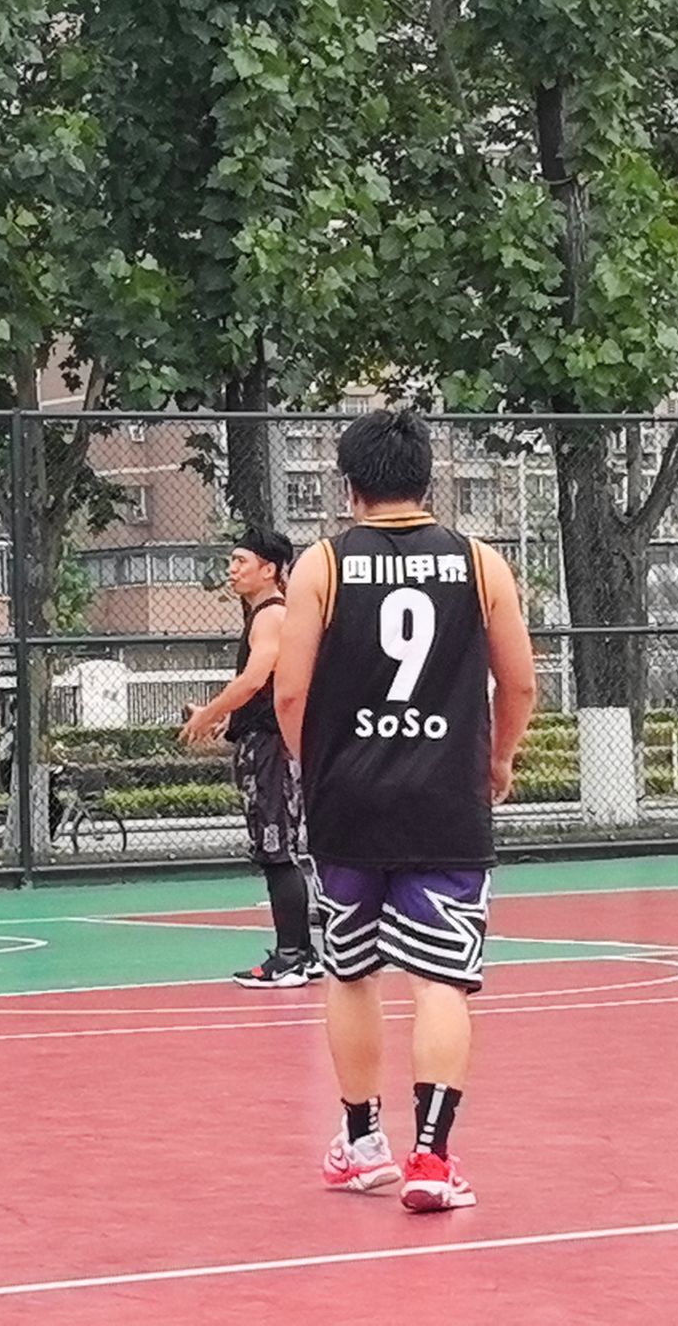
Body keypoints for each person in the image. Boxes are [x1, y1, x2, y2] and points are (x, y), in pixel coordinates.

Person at [273, 409, 536, 1213]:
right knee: (441, 980)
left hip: (348, 800)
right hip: (446, 799)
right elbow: (521, 683)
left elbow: (290, 694)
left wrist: (315, 769)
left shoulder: (322, 565)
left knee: (350, 973)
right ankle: (432, 1158)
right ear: (428, 481)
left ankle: (362, 1145)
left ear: (349, 487)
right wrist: (498, 759)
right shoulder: (480, 563)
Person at [181, 529, 321, 988]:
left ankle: (291, 957)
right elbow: (265, 690)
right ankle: (304, 953)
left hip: (271, 748)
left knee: (277, 851)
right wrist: (229, 720)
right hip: (267, 741)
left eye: (241, 560)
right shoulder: (267, 614)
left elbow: (255, 678)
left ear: (270, 569)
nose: (232, 569)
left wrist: (209, 713)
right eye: (232, 560)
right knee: (278, 850)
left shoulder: (271, 615)